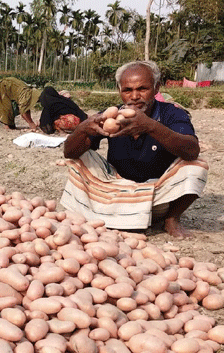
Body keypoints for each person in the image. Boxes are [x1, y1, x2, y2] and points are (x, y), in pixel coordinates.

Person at [60, 60, 208, 238]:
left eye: (142, 89)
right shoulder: (111, 115)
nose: (135, 96)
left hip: (159, 195)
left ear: (156, 88)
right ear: (120, 91)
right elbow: (69, 153)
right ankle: (117, 215)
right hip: (117, 191)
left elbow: (192, 150)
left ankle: (171, 219)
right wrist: (82, 128)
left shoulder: (171, 113)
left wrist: (150, 126)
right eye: (128, 90)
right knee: (79, 156)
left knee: (196, 166)